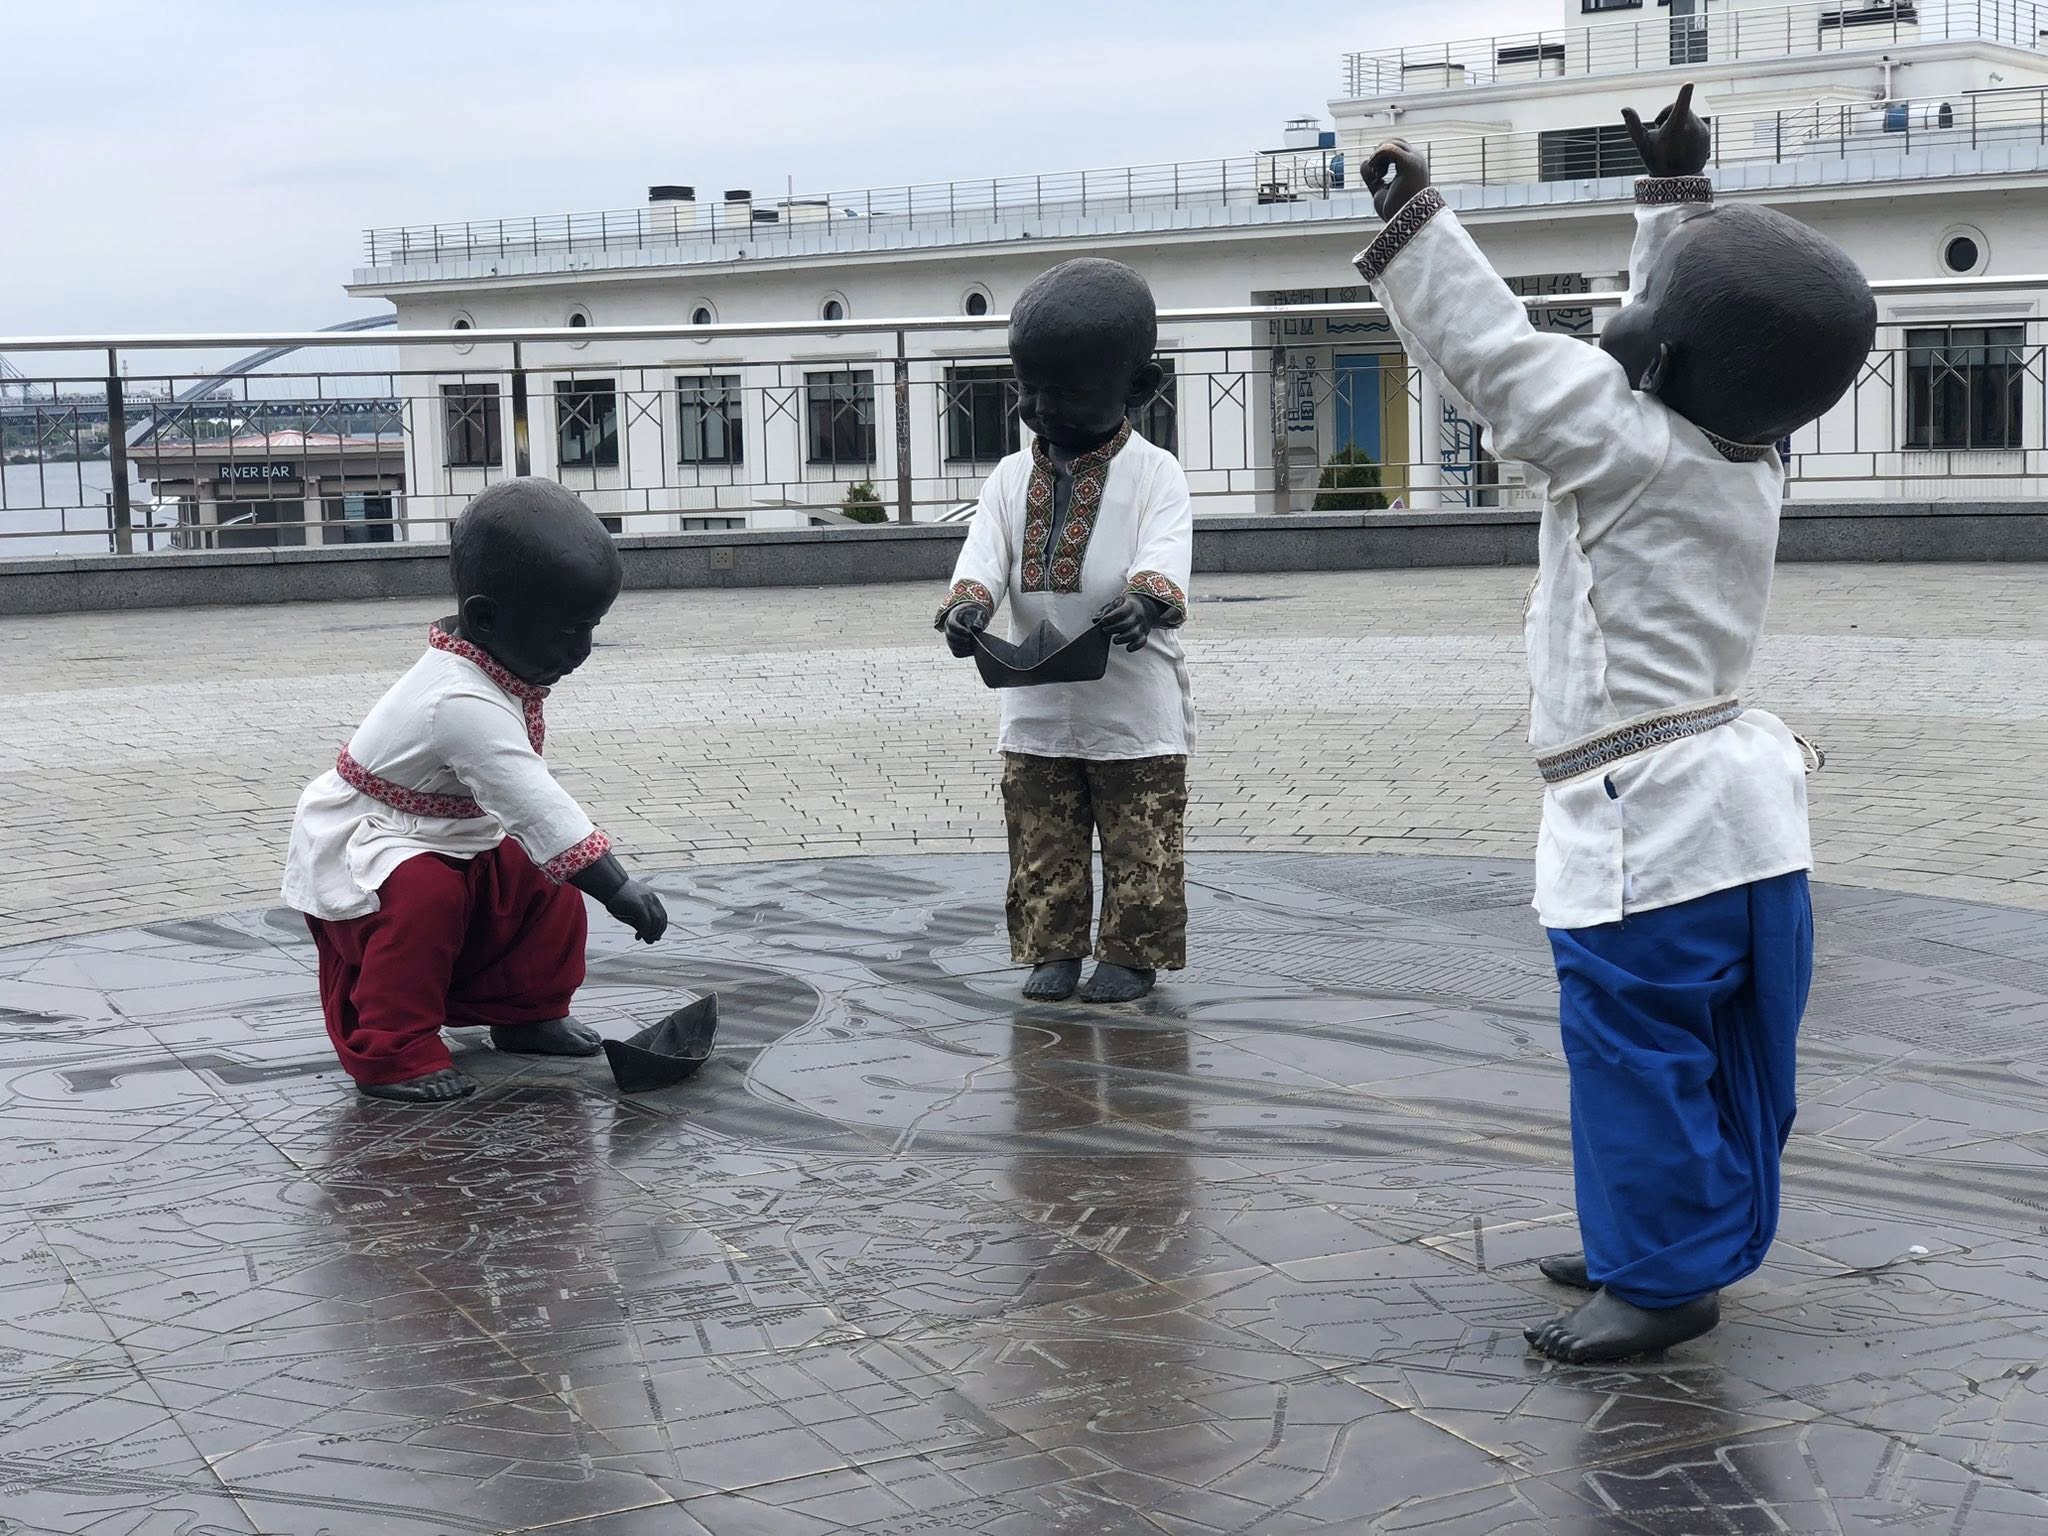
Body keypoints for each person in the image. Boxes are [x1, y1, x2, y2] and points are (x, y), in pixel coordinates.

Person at [1354, 84, 1874, 1363]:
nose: (1611, 330)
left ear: (1659, 365)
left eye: (1630, 319)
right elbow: (1681, 331)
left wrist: (1414, 220)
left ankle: (1660, 1275)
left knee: (1635, 1055)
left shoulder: (1621, 446)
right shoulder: (1746, 452)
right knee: (1727, 1058)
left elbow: (1495, 359)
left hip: (1643, 834)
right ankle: (1669, 1229)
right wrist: (1672, 200)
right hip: (1748, 830)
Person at [282, 478, 669, 1103]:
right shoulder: (457, 699)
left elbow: (528, 820)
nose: (582, 651)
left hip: (444, 833)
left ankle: (528, 1012)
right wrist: (616, 885)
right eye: (567, 631)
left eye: (590, 629)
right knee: (424, 897)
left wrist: (576, 873)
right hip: (373, 842)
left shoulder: (486, 659)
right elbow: (532, 801)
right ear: (486, 618)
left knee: (545, 883)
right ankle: (394, 1049)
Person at [937, 258, 1196, 1005]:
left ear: (1140, 390)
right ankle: (1050, 947)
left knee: (1139, 833)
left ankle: (1132, 949)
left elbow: (1165, 554)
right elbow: (984, 555)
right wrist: (970, 608)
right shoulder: (1007, 479)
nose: (1043, 408)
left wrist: (1147, 601)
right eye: (1029, 389)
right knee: (1041, 833)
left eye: (1067, 393)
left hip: (1132, 704)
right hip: (1034, 702)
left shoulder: (1156, 474)